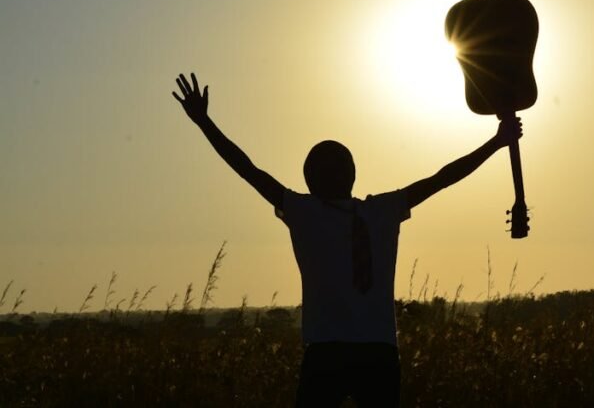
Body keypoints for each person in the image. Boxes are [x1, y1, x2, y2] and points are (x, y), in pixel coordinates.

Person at [172, 72, 522, 407]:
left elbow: (247, 169)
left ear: (310, 179)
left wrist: (204, 123)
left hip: (330, 353)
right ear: (351, 175)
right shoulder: (379, 210)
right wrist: (495, 142)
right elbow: (443, 178)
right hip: (375, 352)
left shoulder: (306, 211)